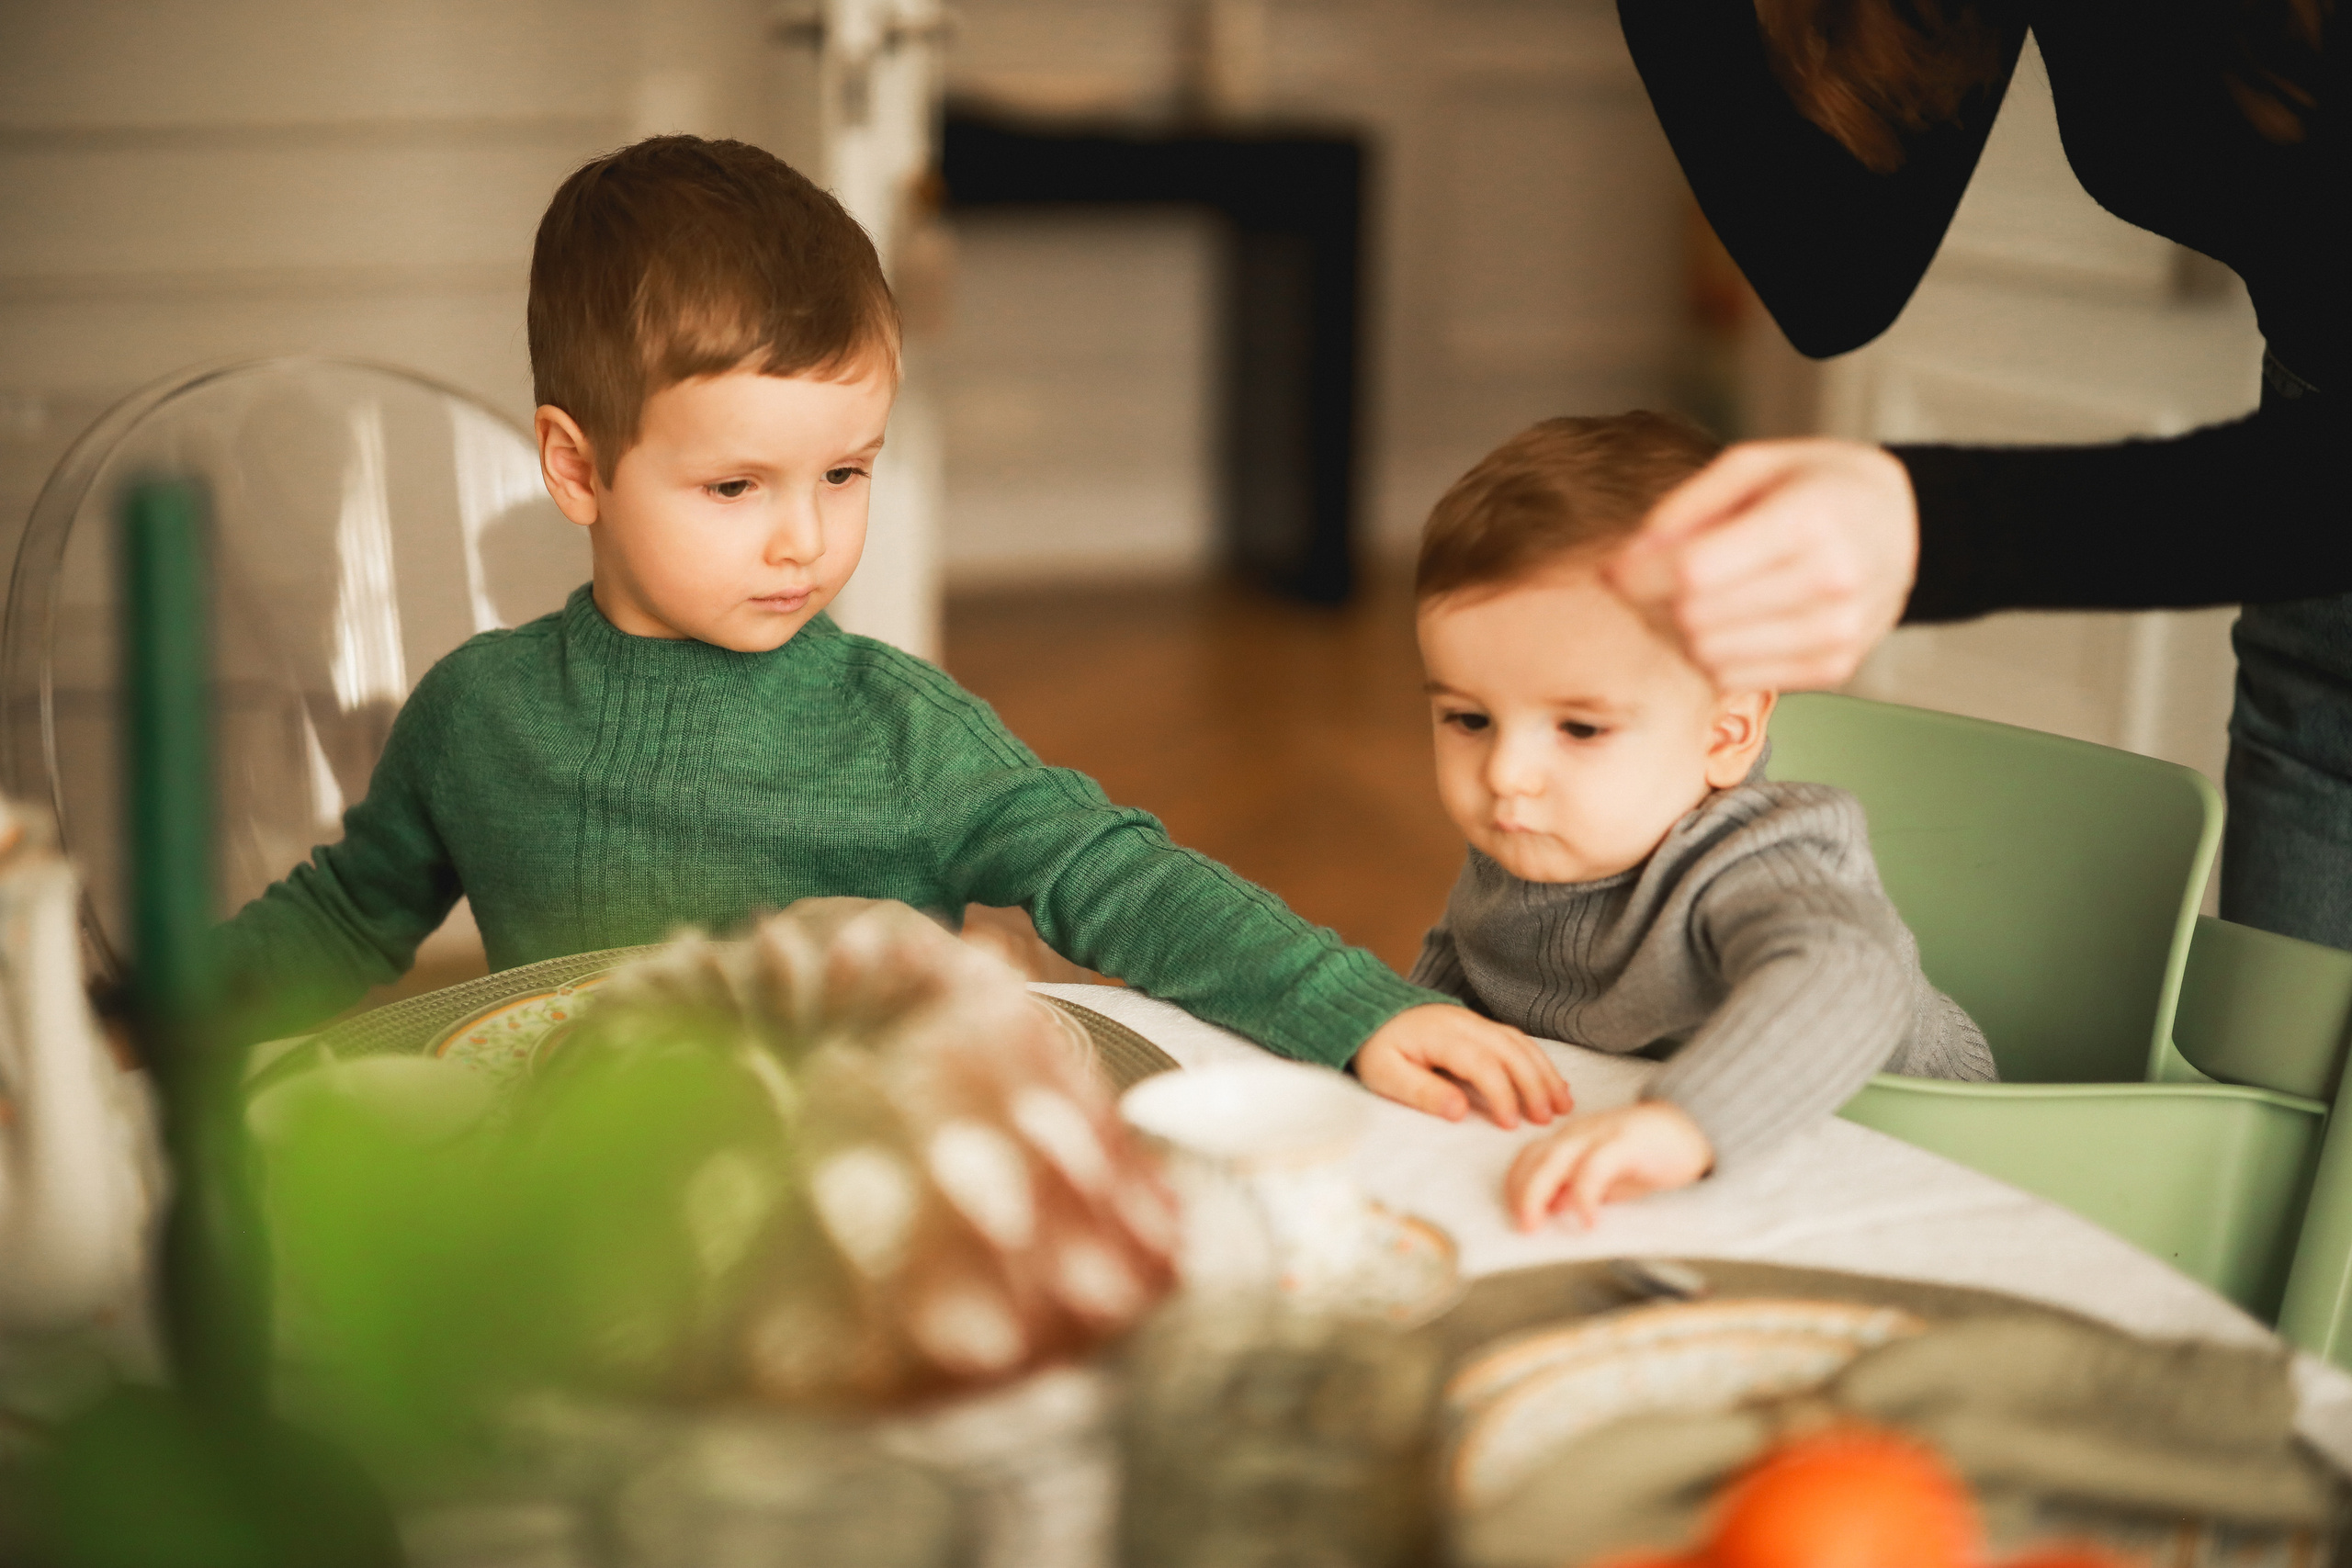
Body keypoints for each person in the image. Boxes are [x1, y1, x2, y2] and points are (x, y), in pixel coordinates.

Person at [213, 135, 1572, 1130]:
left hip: (869, 1213)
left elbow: (1125, 880)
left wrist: (1366, 1010)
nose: (804, 537)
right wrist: (151, 1020)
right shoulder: (478, 716)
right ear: (577, 469)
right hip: (582, 1212)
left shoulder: (902, 730)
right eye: (737, 487)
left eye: (845, 474)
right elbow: (344, 909)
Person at [1605, 0, 2346, 948]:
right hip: (2311, 605)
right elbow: (1830, 266)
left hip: (2308, 511)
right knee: (2289, 1078)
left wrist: (1935, 528)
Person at [1399, 412, 1995, 1231]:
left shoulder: (1758, 858)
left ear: (1726, 732)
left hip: (1917, 1159)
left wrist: (1684, 1121)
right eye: (1469, 719)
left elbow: (1851, 974)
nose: (1505, 774)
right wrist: (1401, 1027)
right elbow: (1472, 957)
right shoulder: (1533, 838)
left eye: (1579, 728)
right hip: (1699, 1172)